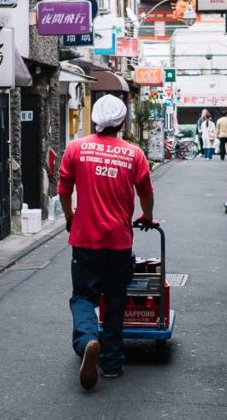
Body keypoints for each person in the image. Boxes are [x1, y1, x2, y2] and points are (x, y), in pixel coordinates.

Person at [57, 95, 156, 390]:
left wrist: (70, 216)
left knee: (84, 297)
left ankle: (88, 340)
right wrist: (147, 217)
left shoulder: (75, 149)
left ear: (95, 119)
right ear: (122, 122)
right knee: (115, 301)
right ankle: (111, 364)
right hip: (119, 241)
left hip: (85, 240)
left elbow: (63, 189)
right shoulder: (134, 154)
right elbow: (146, 192)